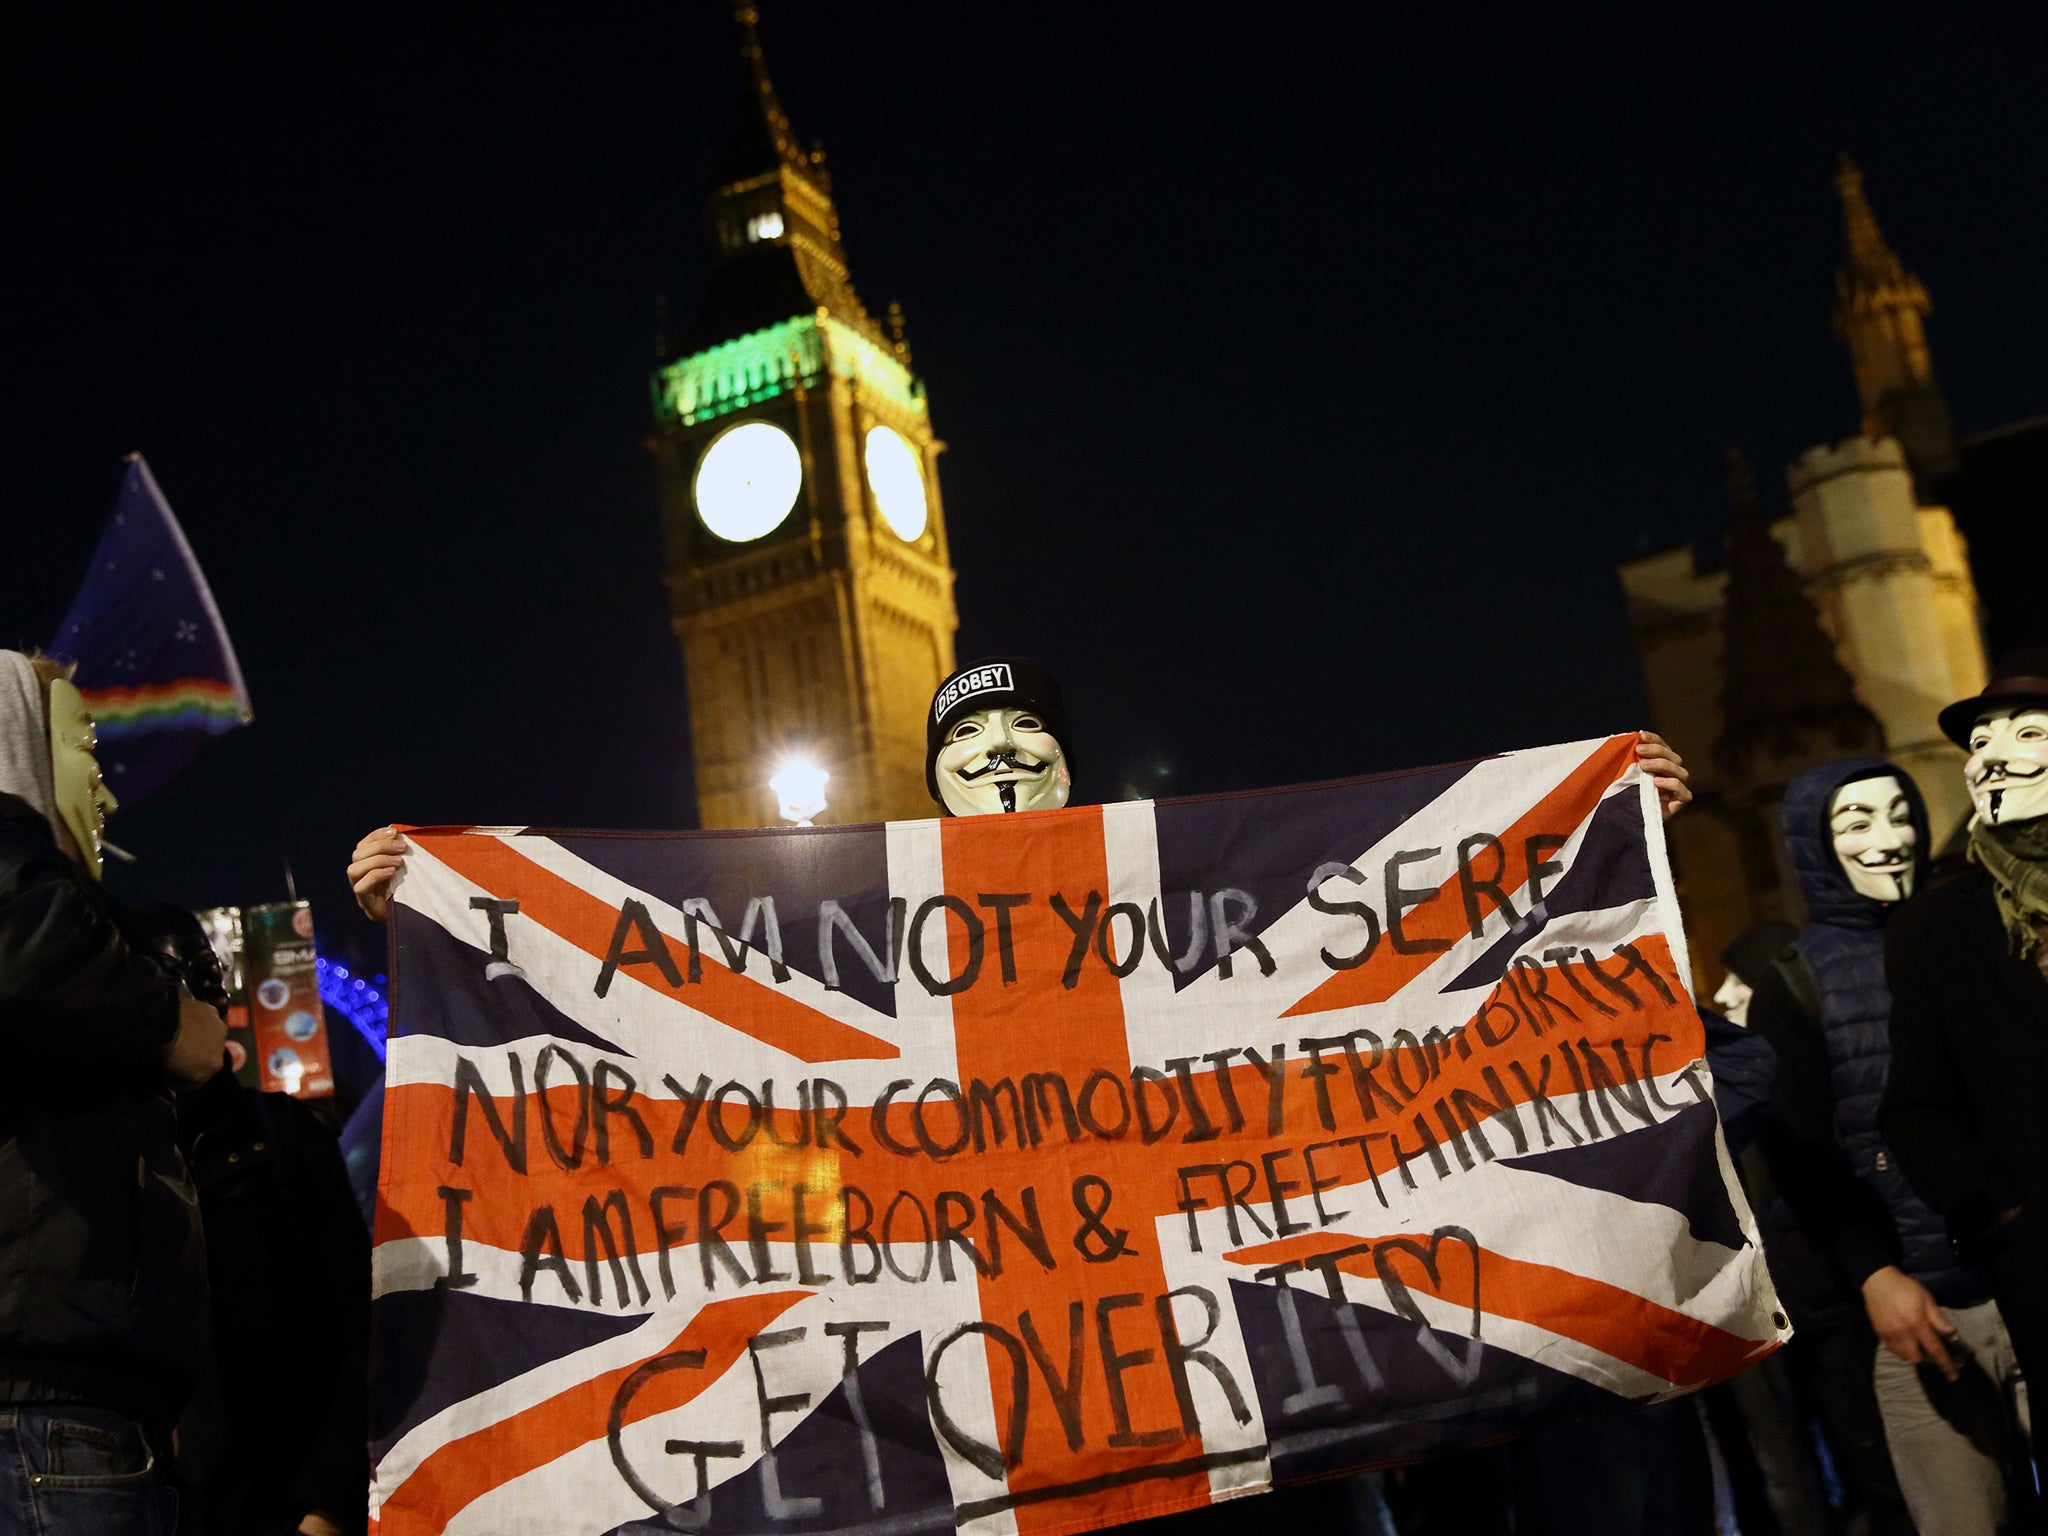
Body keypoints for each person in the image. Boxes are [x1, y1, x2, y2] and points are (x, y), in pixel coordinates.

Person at [1749, 757, 2029, 1536]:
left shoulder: (1976, 935)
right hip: (1914, 1311)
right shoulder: (1793, 985)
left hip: (2019, 1273)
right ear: (1813, 843)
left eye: (1900, 814)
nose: (1890, 839)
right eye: (1857, 822)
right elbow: (1801, 1157)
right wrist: (1874, 1273)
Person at [0, 650, 227, 1535]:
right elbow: (27, 949)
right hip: (43, 1423)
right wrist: (170, 1023)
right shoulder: (24, 897)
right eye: (88, 753)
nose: (110, 797)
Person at [135, 904, 369, 1536]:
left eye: (209, 973)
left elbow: (357, 1320)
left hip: (278, 1499)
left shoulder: (288, 1139)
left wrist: (328, 1502)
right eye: (172, 977)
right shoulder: (108, 1153)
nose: (203, 994)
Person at [1883, 646, 2048, 1459]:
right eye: (1979, 743)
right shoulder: (1935, 928)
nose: (1992, 758)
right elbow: (1915, 1106)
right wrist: (2000, 1222)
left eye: (2025, 734)